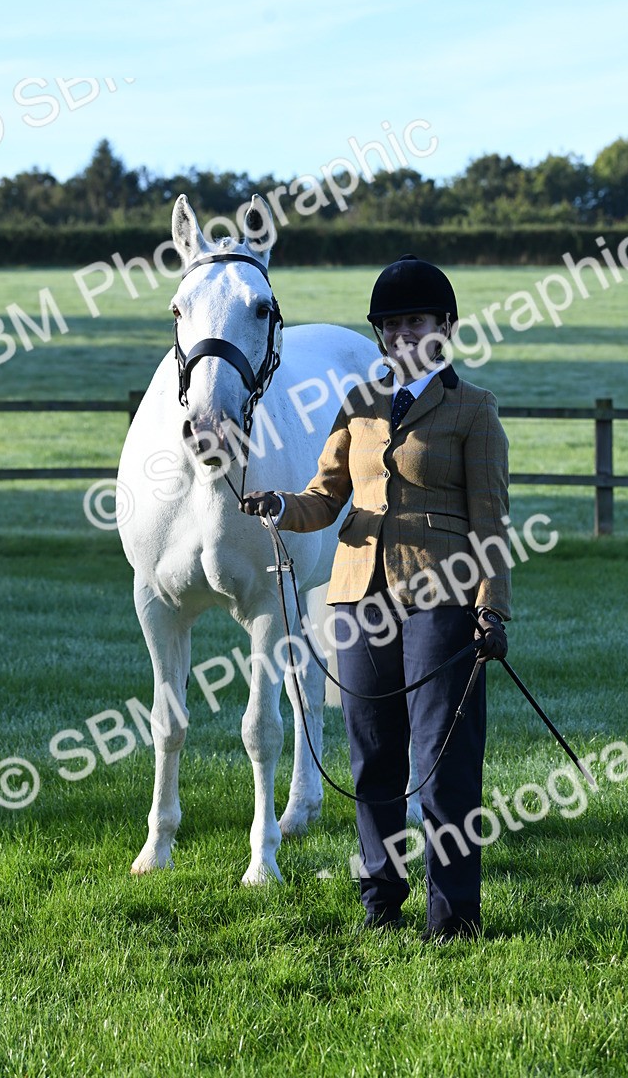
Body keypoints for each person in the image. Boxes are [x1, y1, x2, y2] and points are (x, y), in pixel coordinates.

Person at [241, 254, 511, 942]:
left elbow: (492, 522)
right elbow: (325, 497)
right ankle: (380, 903)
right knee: (373, 760)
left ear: (445, 327)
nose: (399, 336)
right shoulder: (359, 404)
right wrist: (279, 505)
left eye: (413, 322)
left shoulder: (473, 410)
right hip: (358, 598)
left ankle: (452, 919)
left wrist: (491, 608)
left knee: (442, 762)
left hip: (441, 599)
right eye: (389, 326)